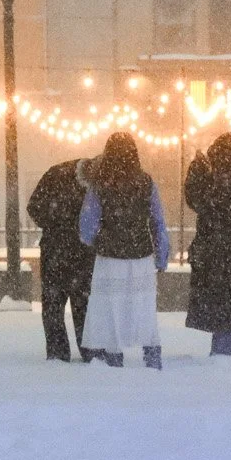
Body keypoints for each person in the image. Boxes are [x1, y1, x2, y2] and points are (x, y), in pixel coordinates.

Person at [80, 132, 172, 370]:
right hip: (140, 255)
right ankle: (152, 356)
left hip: (110, 256)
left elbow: (87, 225)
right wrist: (161, 256)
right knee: (144, 308)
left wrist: (98, 239)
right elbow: (158, 221)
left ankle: (114, 358)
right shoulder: (146, 182)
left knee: (112, 309)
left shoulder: (100, 184)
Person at [185, 132, 231, 356]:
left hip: (214, 251)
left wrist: (197, 170)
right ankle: (227, 350)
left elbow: (199, 201)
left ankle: (223, 355)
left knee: (220, 301)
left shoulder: (221, 182)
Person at [28, 155, 99, 363]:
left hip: (57, 250)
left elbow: (34, 207)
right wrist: (62, 225)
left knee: (55, 304)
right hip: (76, 252)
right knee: (80, 303)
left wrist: (54, 225)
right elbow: (35, 207)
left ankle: (59, 352)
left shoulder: (55, 175)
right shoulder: (59, 175)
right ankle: (87, 351)